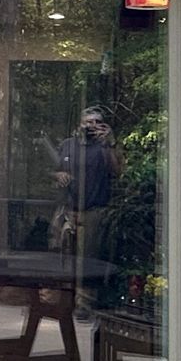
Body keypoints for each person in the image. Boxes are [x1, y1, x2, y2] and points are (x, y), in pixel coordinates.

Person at [52, 105, 122, 266]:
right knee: (59, 261)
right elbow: (51, 170)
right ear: (79, 125)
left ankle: (85, 291)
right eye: (88, 122)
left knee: (87, 264)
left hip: (93, 212)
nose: (92, 125)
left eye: (98, 122)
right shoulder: (67, 145)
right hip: (66, 211)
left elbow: (117, 172)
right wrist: (58, 175)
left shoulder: (105, 147)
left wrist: (110, 143)